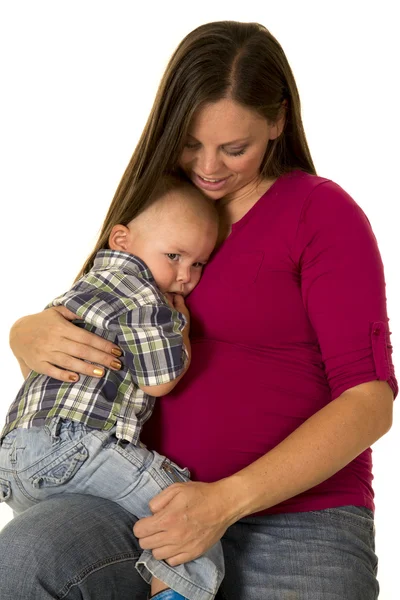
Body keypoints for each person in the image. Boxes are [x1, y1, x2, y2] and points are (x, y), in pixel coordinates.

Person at [0, 19, 396, 600]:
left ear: (278, 122)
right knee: (23, 562)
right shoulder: (160, 206)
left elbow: (370, 402)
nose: (209, 167)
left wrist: (223, 501)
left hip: (298, 524)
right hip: (138, 504)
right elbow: (103, 339)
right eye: (191, 143)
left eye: (234, 148)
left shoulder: (321, 213)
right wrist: (28, 334)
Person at [0, 174, 222, 600]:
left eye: (197, 264)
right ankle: (174, 595)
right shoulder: (145, 297)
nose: (184, 276)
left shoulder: (80, 289)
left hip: (16, 459)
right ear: (122, 238)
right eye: (173, 255)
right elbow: (160, 382)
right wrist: (184, 334)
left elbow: (40, 370)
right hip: (77, 449)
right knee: (188, 515)